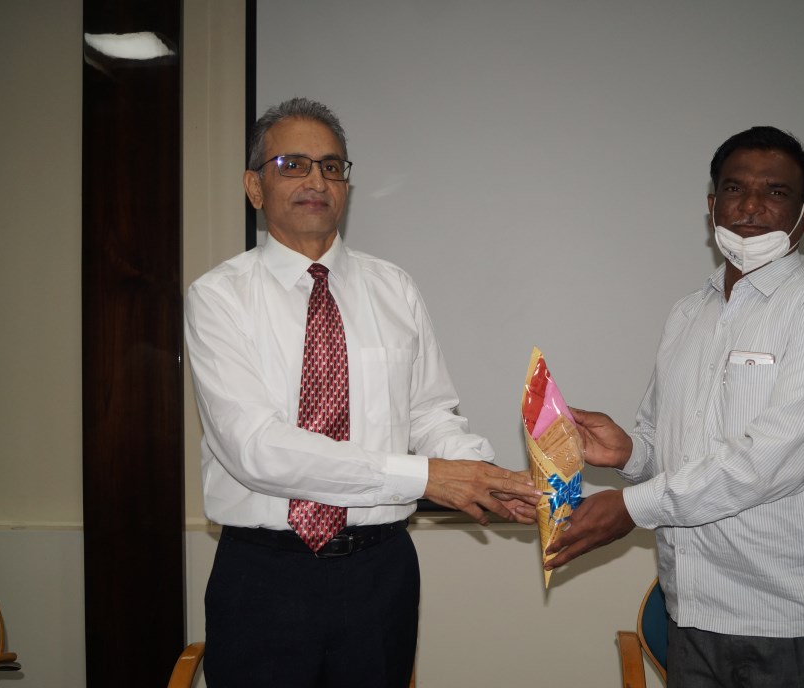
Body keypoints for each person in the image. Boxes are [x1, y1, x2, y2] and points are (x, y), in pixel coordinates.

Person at [184, 96, 539, 688]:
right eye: (292, 165)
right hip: (264, 575)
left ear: (347, 185)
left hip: (381, 572)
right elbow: (256, 449)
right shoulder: (218, 297)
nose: (316, 180)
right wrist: (428, 477)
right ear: (254, 187)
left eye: (332, 166)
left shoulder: (394, 288)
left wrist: (487, 477)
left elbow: (428, 414)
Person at [546, 126, 804, 687]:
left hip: (802, 626)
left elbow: (772, 460)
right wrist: (632, 453)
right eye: (734, 188)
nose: (750, 206)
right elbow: (677, 449)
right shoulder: (688, 313)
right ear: (712, 205)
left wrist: (631, 508)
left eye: (775, 192)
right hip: (694, 615)